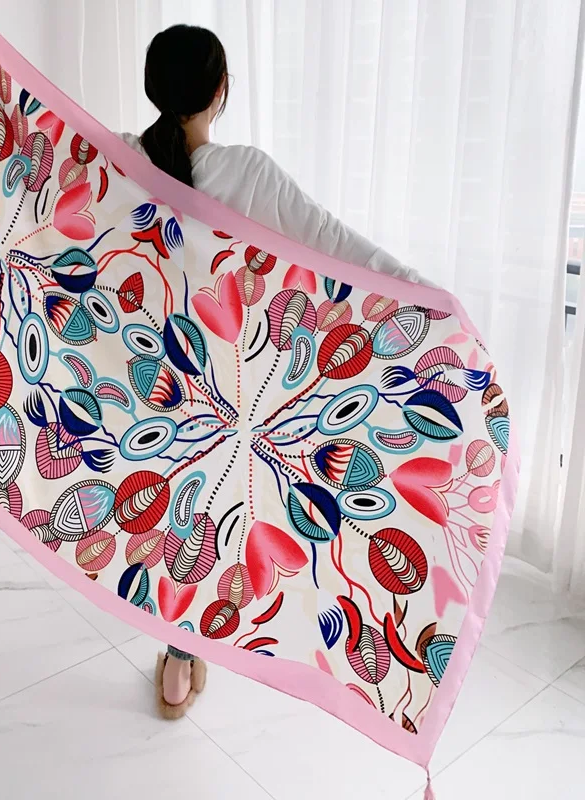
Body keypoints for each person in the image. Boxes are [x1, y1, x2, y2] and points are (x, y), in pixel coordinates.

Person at [118, 24, 431, 719]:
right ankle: (200, 645)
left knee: (171, 517)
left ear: (154, 88)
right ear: (221, 90)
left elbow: (44, 175)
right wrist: (420, 289)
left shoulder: (122, 158)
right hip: (235, 389)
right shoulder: (249, 172)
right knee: (216, 521)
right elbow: (334, 242)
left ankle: (176, 664)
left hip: (149, 378)